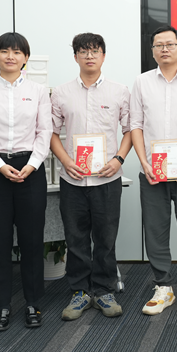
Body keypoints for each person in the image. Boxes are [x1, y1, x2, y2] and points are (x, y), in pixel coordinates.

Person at [0, 32, 51, 332]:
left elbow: (45, 131)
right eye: (4, 51)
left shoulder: (38, 91)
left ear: (26, 58)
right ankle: (2, 305)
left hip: (31, 170)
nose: (10, 56)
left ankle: (32, 303)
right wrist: (0, 166)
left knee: (32, 240)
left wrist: (32, 164)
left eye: (17, 52)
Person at [50, 33, 132, 320]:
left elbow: (129, 131)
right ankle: (80, 292)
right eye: (83, 51)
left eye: (95, 51)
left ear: (103, 56)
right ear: (75, 57)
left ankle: (104, 290)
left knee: (106, 238)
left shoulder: (119, 91)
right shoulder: (61, 93)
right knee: (76, 238)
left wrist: (118, 159)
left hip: (107, 179)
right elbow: (51, 134)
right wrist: (66, 161)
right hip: (72, 179)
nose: (89, 56)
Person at [130, 25, 177, 316]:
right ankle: (163, 286)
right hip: (152, 172)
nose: (164, 49)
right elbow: (136, 125)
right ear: (152, 51)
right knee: (155, 229)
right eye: (159, 45)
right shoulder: (142, 82)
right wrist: (144, 162)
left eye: (170, 44)